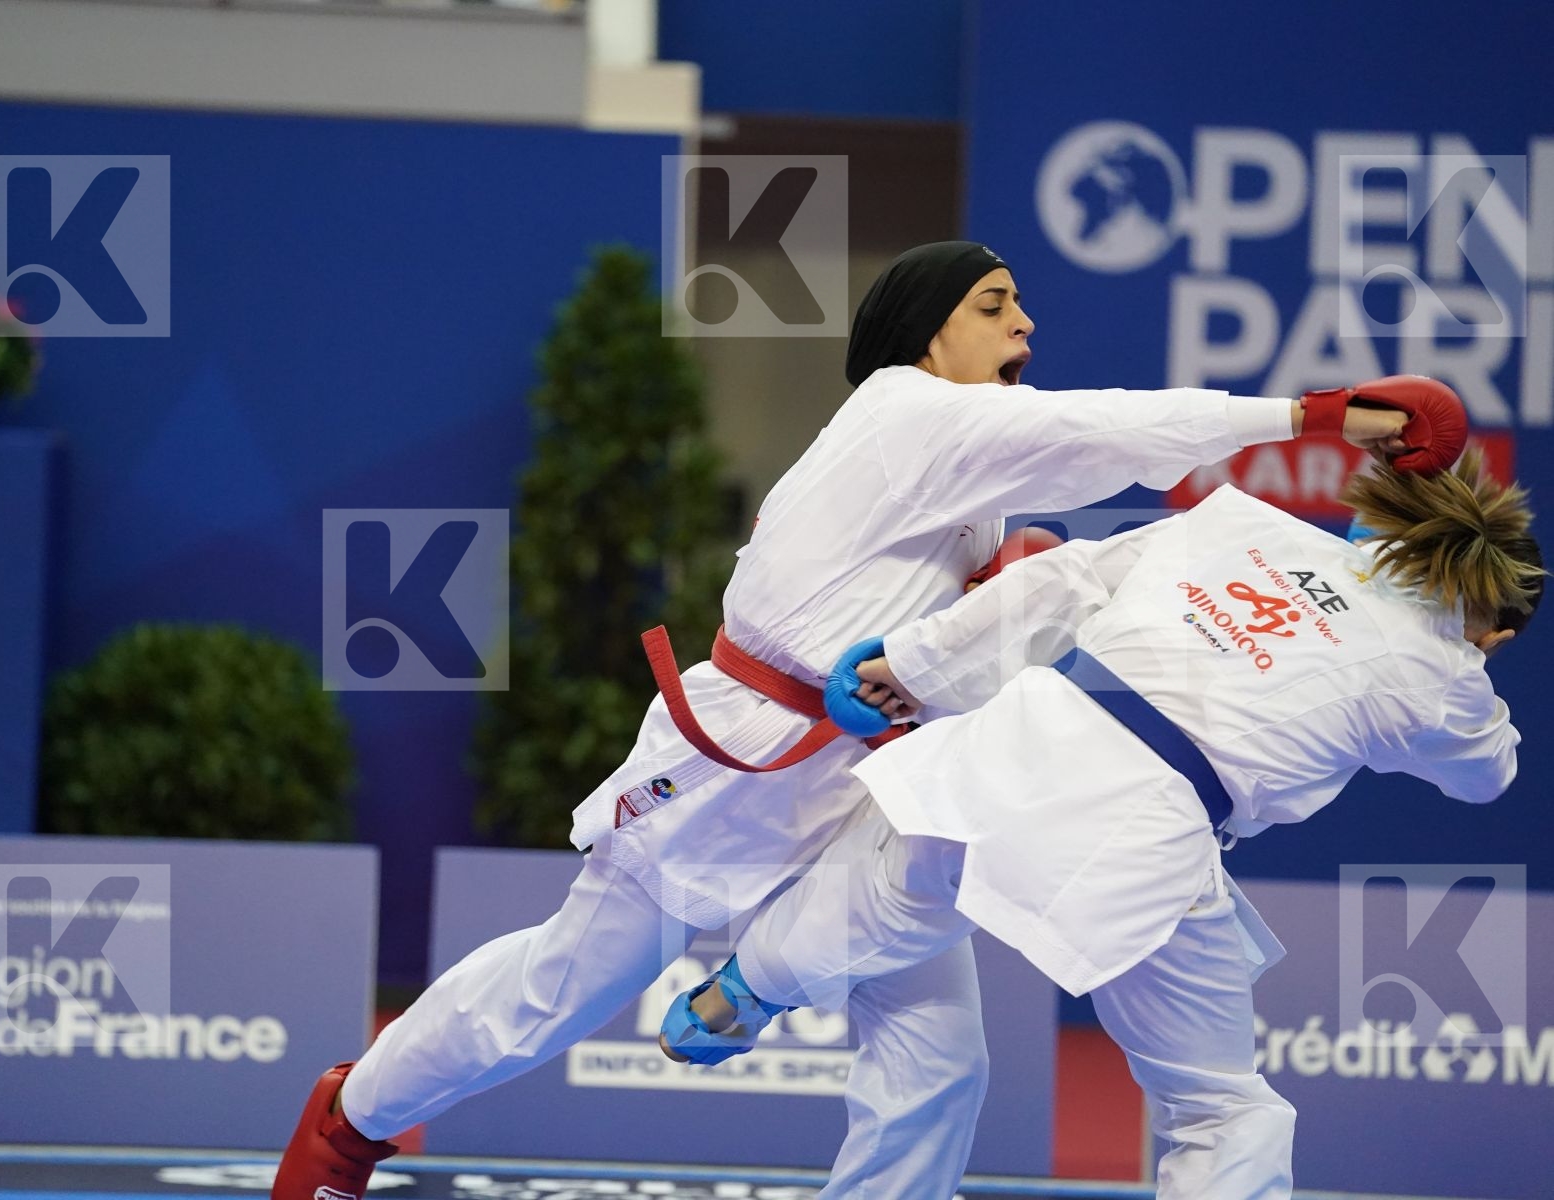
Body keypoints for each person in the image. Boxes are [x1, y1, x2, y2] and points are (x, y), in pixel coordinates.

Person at [272, 240, 1432, 1200]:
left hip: (878, 780)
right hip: (745, 756)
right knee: (563, 987)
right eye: (994, 305)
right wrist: (1320, 413)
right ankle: (349, 1121)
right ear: (926, 335)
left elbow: (1029, 576)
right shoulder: (907, 412)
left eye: (1020, 304)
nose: (1023, 322)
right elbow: (1106, 433)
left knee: (937, 1061)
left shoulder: (974, 477)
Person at [663, 450, 1541, 1199]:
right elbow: (1488, 775)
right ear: (1495, 632)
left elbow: (1063, 579)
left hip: (1027, 735)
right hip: (1141, 831)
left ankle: (744, 989)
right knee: (1221, 1107)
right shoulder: (1443, 676)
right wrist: (1462, 655)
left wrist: (911, 663)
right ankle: (757, 983)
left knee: (905, 890)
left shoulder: (1245, 521)